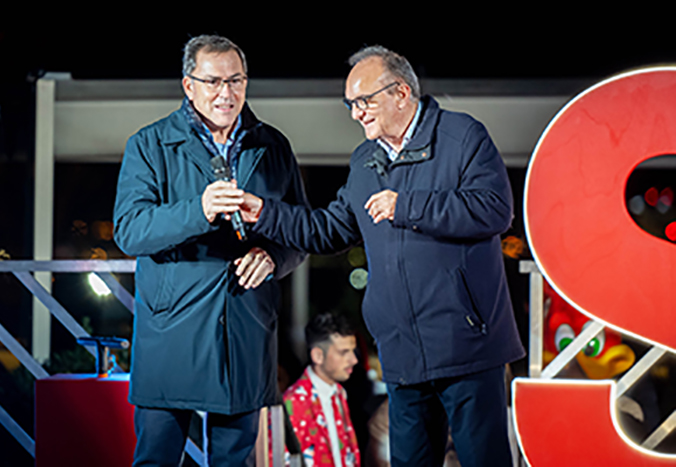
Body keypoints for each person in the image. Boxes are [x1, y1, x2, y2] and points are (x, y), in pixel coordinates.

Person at [235, 46, 525, 466]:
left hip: (468, 346)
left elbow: (494, 209)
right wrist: (263, 211)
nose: (356, 113)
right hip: (403, 353)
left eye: (364, 101)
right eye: (350, 104)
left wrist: (405, 205)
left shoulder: (463, 136)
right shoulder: (364, 162)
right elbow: (328, 230)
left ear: (401, 92)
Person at [113, 35, 308, 466]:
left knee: (235, 460)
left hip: (244, 324)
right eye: (214, 81)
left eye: (236, 80)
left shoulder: (273, 146)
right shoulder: (149, 145)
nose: (227, 93)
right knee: (157, 458)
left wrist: (274, 257)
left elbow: (300, 232)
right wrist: (198, 210)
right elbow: (130, 231)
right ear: (189, 85)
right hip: (172, 329)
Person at [280, 313, 360, 467]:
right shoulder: (293, 402)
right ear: (318, 355)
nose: (354, 360)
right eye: (344, 352)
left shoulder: (338, 393)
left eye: (353, 351)